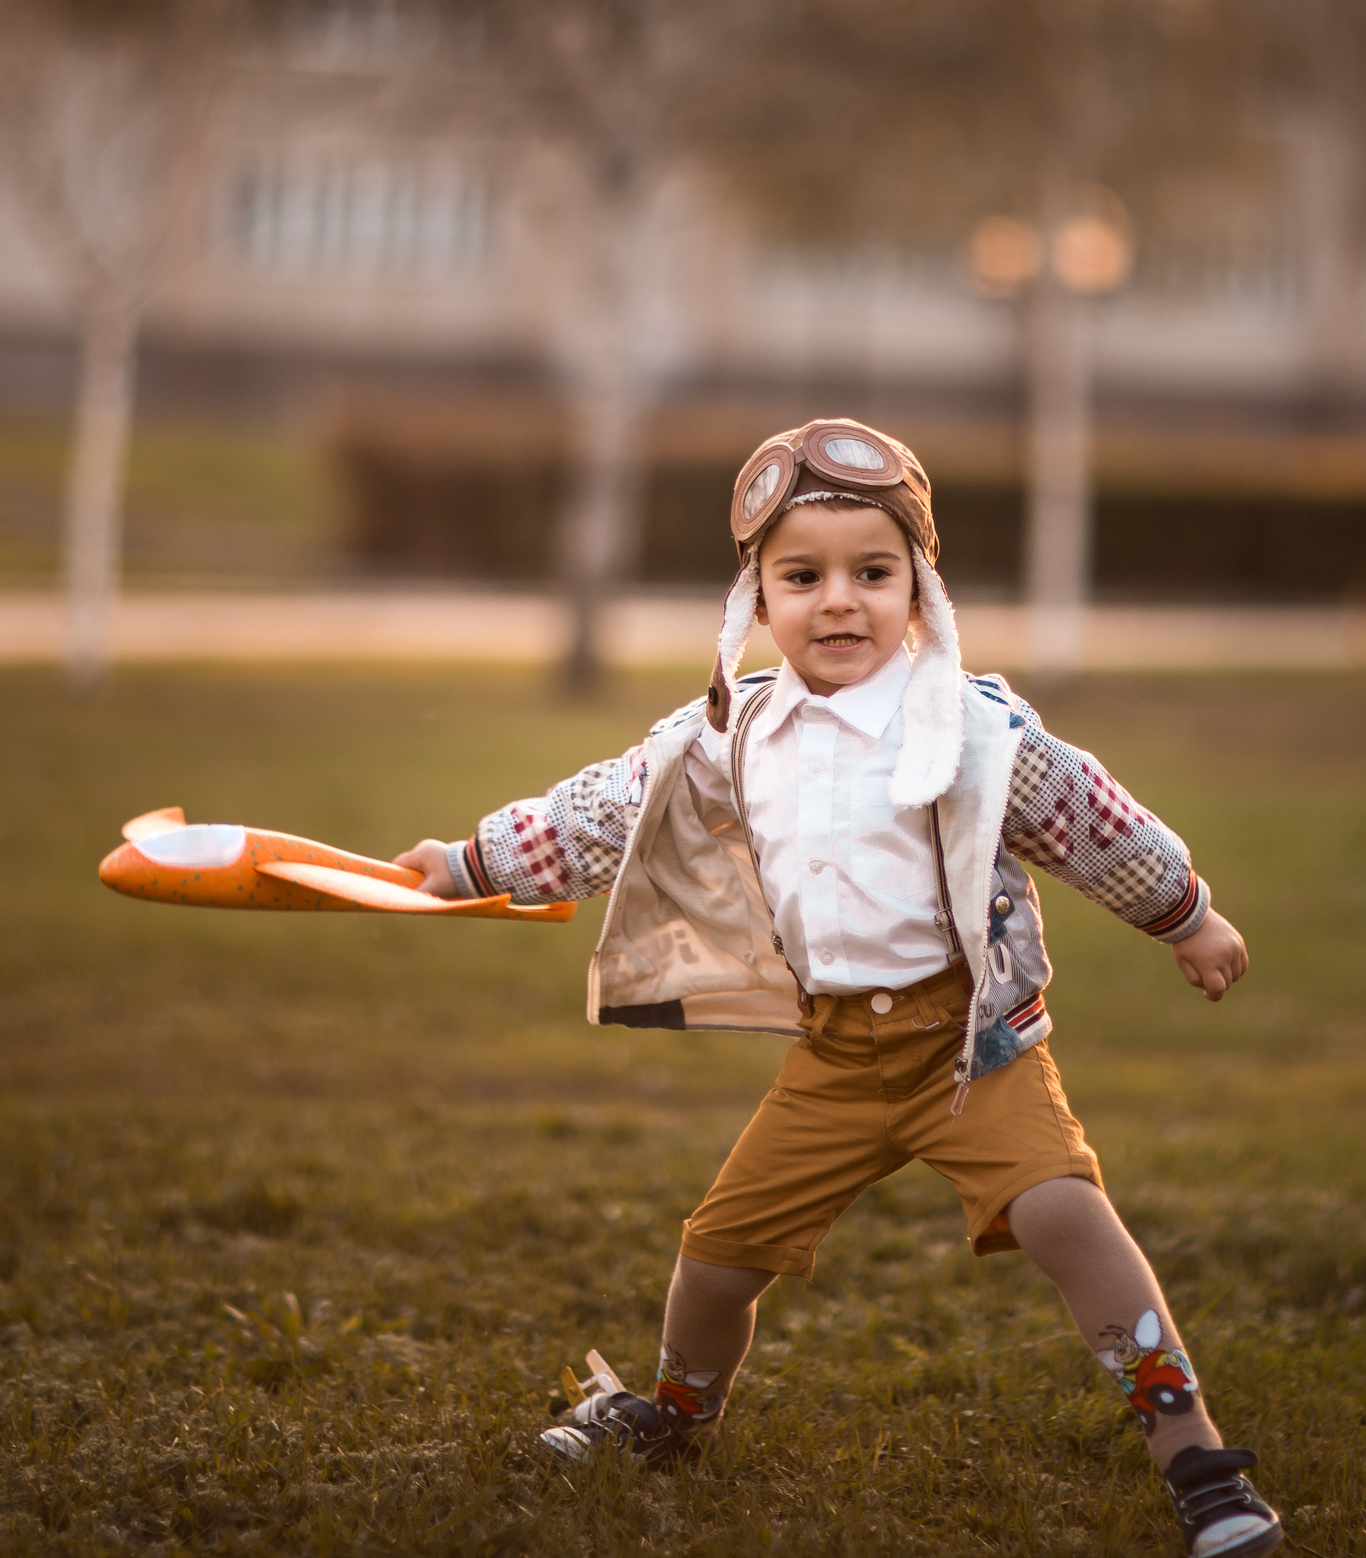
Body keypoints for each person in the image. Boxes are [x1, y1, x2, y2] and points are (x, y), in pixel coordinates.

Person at [398, 419, 1284, 1558]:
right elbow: (597, 814)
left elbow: (1090, 818)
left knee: (1065, 1212)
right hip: (831, 1058)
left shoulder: (969, 728)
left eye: (873, 572)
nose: (839, 602)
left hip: (969, 1047)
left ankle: (1200, 1463)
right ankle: (674, 1415)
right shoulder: (730, 734)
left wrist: (1188, 915)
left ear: (920, 588)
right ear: (756, 600)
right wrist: (469, 866)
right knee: (716, 1258)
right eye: (801, 576)